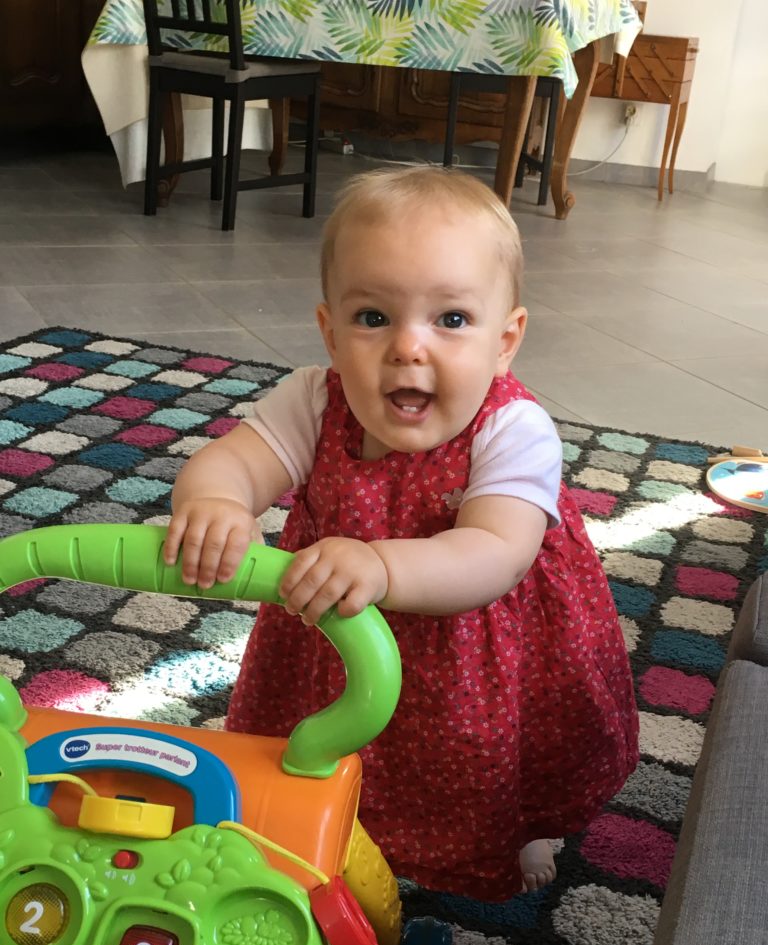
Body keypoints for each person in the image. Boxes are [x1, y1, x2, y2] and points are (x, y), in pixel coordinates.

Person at [163, 166, 639, 901]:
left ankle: (525, 820)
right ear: (330, 332)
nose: (408, 347)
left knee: (489, 757)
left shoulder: (515, 429)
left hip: (481, 648)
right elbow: (233, 462)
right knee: (317, 739)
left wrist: (381, 566)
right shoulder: (313, 401)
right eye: (373, 317)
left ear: (505, 340)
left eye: (451, 320)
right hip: (333, 631)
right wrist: (217, 500)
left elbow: (496, 553)